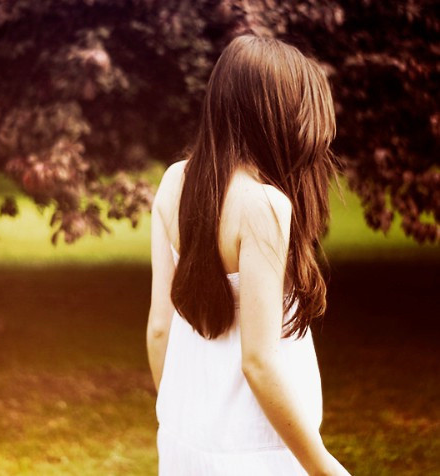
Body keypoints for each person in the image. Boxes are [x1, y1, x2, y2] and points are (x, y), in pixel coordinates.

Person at [146, 34, 351, 475]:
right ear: (274, 116)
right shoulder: (263, 205)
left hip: (184, 442)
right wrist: (326, 469)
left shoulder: (174, 182)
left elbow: (159, 329)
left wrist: (186, 424)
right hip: (259, 449)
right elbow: (259, 362)